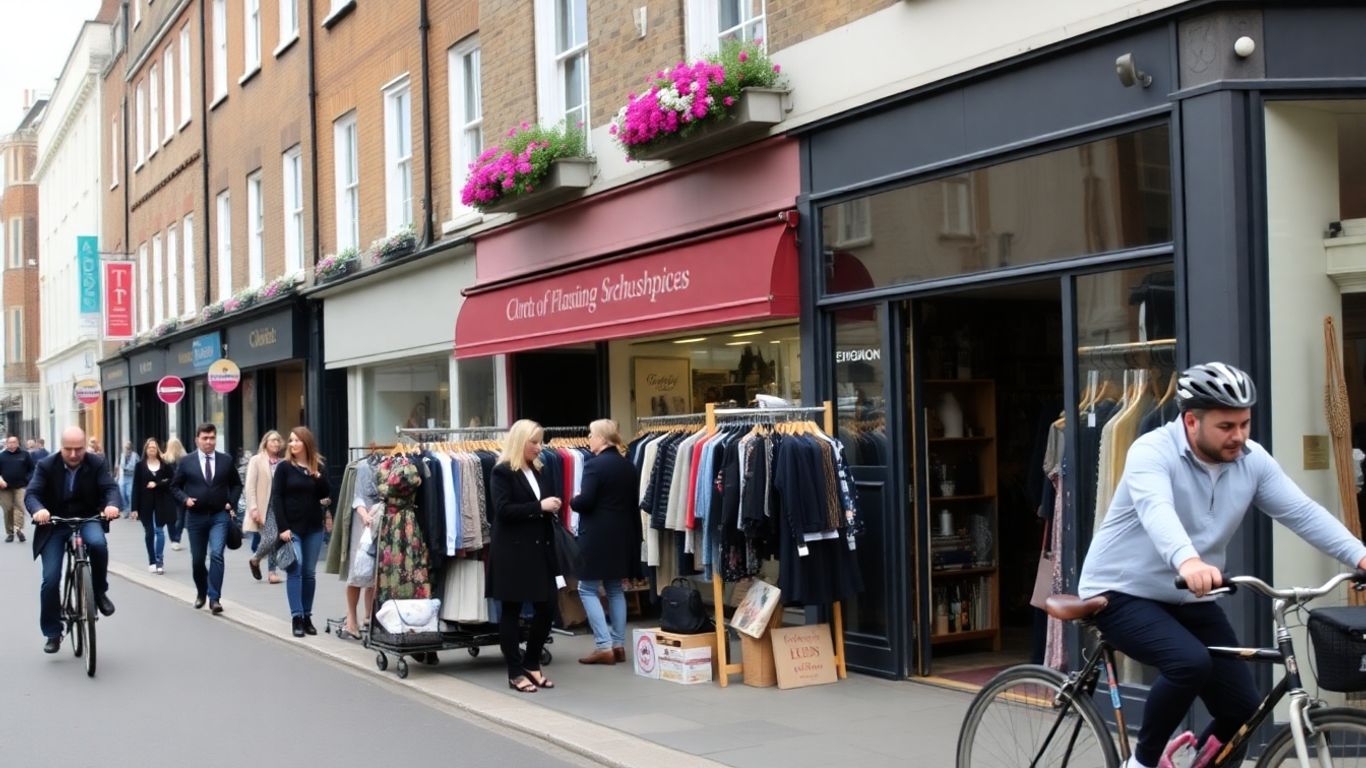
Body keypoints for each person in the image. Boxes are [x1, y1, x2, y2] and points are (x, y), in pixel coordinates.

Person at [1079, 362, 1366, 768]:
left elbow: (1301, 512)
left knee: (1243, 710)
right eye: (1226, 426)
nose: (1239, 436)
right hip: (1121, 591)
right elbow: (1156, 509)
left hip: (1189, 597)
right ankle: (1140, 763)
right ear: (1191, 421)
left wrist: (1359, 554)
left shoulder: (1252, 461)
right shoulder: (1151, 451)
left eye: (1245, 423)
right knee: (1189, 662)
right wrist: (1188, 560)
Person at [25, 427, 121, 653]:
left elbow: (110, 488)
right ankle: (53, 632)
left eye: (79, 449)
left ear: (85, 446)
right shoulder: (46, 465)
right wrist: (39, 510)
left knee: (98, 544)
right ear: (61, 447)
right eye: (68, 449)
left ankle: (98, 591)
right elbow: (32, 494)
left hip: (87, 518)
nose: (74, 454)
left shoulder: (96, 463)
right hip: (54, 523)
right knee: (50, 579)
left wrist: (112, 505)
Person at [488, 419, 561, 693]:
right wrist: (539, 507)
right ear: (520, 442)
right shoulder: (502, 471)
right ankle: (515, 672)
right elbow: (503, 510)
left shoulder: (538, 470)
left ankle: (531, 662)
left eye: (540, 442)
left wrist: (550, 507)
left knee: (548, 605)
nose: (539, 447)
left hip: (540, 550)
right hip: (513, 552)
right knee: (512, 609)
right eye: (534, 442)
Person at [570, 419, 642, 665]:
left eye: (591, 434)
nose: (589, 439)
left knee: (586, 588)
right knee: (614, 588)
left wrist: (573, 500)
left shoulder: (594, 465)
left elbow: (586, 501)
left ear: (601, 438)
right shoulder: (627, 465)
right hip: (622, 534)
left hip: (597, 535)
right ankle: (618, 645)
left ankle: (603, 645)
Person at [170, 423, 242, 615]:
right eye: (205, 438)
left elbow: (236, 484)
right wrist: (185, 499)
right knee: (198, 561)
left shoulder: (225, 460)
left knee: (217, 554)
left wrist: (231, 502)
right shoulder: (187, 462)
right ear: (197, 440)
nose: (209, 442)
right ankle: (202, 592)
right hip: (196, 517)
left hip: (219, 515)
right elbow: (174, 486)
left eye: (212, 438)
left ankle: (214, 598)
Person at [269, 427, 332, 637]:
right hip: (291, 528)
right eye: (291, 440)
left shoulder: (318, 466)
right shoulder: (284, 467)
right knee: (296, 567)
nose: (293, 444)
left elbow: (326, 494)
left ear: (306, 443)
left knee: (309, 573)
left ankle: (307, 616)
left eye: (297, 440)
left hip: (313, 527)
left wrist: (318, 477)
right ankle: (296, 617)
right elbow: (276, 498)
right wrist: (283, 527)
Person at [130, 438, 176, 574]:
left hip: (161, 502)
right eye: (149, 447)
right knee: (149, 532)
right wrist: (134, 508)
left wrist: (157, 484)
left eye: (154, 448)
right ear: (146, 449)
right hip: (145, 503)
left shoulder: (164, 465)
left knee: (160, 531)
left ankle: (159, 561)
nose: (152, 450)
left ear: (157, 450)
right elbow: (135, 487)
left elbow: (172, 480)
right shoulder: (140, 466)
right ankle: (152, 561)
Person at [245, 431, 285, 584]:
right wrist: (253, 507)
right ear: (265, 443)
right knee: (271, 536)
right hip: (263, 505)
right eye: (273, 440)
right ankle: (255, 559)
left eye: (278, 441)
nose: (276, 443)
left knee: (276, 537)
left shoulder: (283, 462)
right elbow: (250, 486)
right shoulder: (256, 460)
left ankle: (272, 572)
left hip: (279, 505)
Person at [0, 434, 36, 543]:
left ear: (18, 443)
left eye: (14, 442)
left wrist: (27, 479)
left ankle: (18, 529)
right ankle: (10, 533)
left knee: (19, 507)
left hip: (20, 486)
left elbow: (32, 469)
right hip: (5, 488)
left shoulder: (25, 455)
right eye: (10, 442)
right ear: (7, 444)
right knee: (8, 509)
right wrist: (1, 481)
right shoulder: (2, 456)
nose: (12, 444)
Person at [163, 437, 187, 549]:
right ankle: (177, 539)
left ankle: (173, 539)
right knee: (180, 516)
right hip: (181, 492)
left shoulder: (165, 460)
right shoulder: (185, 459)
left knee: (170, 517)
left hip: (168, 492)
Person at [117, 441, 137, 518]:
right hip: (123, 477)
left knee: (129, 494)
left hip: (131, 477)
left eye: (128, 448)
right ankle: (126, 510)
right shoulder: (122, 455)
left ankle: (131, 511)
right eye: (125, 448)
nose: (127, 450)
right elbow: (119, 466)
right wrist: (117, 476)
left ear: (131, 448)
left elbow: (137, 466)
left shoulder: (135, 455)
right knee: (122, 494)